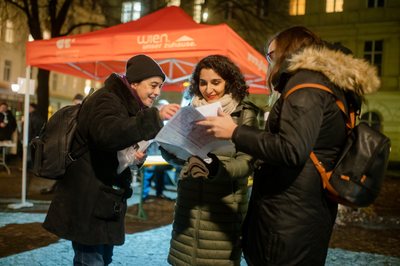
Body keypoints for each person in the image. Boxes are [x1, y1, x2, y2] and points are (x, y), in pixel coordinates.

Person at [196, 26, 380, 265]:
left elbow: (291, 149)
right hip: (301, 211)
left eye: (271, 55)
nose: (269, 63)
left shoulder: (307, 85)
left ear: (287, 51)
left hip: (288, 216)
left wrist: (235, 131)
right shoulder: (325, 84)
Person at [42, 54, 180, 265]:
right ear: (134, 82)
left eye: (160, 86)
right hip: (87, 198)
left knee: (102, 259)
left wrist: (135, 157)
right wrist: (156, 117)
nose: (157, 92)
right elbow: (108, 134)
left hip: (103, 199)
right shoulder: (106, 99)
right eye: (153, 85)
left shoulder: (127, 103)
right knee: (90, 260)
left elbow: (117, 144)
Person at [161, 54, 259, 265]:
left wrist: (217, 170)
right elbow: (181, 159)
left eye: (216, 82)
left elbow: (247, 162)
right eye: (203, 83)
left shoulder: (243, 113)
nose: (208, 89)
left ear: (229, 82)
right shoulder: (190, 111)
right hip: (189, 206)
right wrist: (169, 149)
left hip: (223, 210)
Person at [27, 103, 46, 169]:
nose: (28, 108)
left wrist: (33, 138)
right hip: (30, 138)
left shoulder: (34, 116)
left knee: (30, 155)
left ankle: (31, 168)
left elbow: (36, 129)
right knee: (30, 154)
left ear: (33, 108)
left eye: (29, 107)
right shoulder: (32, 115)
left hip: (31, 138)